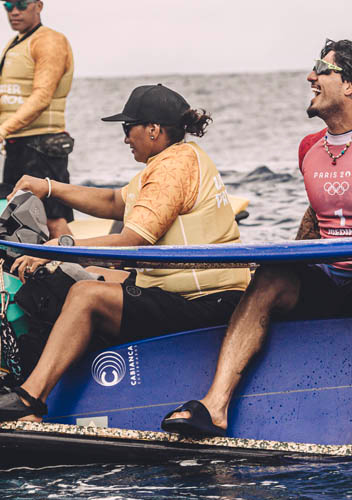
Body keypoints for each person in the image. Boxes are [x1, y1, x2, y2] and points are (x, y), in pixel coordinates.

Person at [161, 39, 352, 440]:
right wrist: (288, 258)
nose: (311, 76)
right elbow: (317, 214)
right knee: (273, 274)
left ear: (351, 85)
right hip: (329, 282)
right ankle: (214, 406)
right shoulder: (308, 148)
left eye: (321, 69)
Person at [0, 84, 251, 421]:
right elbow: (114, 202)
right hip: (183, 292)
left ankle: (31, 401)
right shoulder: (169, 162)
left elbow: (133, 239)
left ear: (153, 129)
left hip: (208, 302)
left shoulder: (173, 169)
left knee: (86, 294)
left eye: (127, 128)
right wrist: (48, 187)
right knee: (82, 279)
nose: (125, 138)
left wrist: (56, 249)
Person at [0, 0, 75, 237]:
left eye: (21, 4)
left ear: (39, 6)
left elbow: (43, 96)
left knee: (53, 220)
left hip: (44, 146)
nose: (14, 11)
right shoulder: (16, 43)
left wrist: (3, 130)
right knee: (16, 218)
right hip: (18, 143)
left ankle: (81, 270)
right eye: (8, 5)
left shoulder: (49, 41)